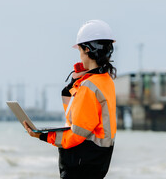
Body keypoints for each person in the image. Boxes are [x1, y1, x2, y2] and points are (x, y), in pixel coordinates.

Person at [24, 20, 117, 179]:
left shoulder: (89, 86)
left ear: (87, 50)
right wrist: (78, 79)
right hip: (97, 163)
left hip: (81, 165)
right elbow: (74, 110)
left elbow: (76, 134)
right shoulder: (105, 80)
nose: (80, 55)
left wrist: (42, 135)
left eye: (80, 50)